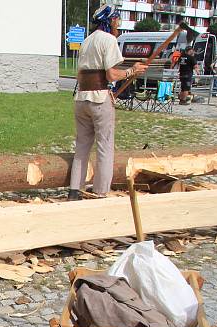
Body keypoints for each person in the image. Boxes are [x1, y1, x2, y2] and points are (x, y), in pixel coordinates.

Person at [68, 4, 146, 201]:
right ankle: (101, 192)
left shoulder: (86, 41)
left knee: (82, 146)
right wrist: (132, 72)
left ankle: (74, 190)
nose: (118, 23)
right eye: (117, 19)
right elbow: (111, 75)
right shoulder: (109, 39)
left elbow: (80, 74)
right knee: (104, 146)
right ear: (111, 20)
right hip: (99, 99)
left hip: (82, 99)